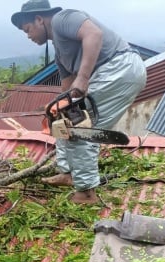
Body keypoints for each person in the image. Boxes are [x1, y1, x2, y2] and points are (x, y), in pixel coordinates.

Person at [11, 0, 147, 204]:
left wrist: (82, 78)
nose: (28, 36)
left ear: (39, 19)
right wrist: (54, 108)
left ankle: (86, 193)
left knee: (80, 126)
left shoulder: (62, 19)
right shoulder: (60, 52)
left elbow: (94, 34)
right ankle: (68, 173)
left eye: (28, 30)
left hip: (119, 68)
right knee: (63, 119)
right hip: (113, 72)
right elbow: (67, 89)